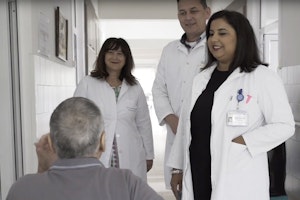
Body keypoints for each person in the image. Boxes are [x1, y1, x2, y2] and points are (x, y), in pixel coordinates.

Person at [167, 10, 295, 200]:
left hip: (238, 176)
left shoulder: (261, 76)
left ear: (241, 37)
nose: (214, 39)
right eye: (211, 34)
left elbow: (285, 126)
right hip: (197, 172)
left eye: (222, 33)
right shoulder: (201, 79)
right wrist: (177, 167)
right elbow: (187, 126)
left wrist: (243, 142)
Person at [6, 97, 163, 200]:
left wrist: (42, 170)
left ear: (51, 143)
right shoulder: (126, 183)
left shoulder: (21, 188)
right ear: (102, 142)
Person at [74, 38, 154, 182]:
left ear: (126, 58)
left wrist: (149, 155)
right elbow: (75, 119)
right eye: (110, 52)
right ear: (103, 56)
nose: (115, 57)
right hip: (96, 152)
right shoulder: (88, 83)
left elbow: (144, 123)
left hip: (130, 152)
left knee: (127, 191)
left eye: (120, 53)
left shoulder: (135, 87)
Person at [151, 0, 211, 189]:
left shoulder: (216, 46)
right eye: (182, 12)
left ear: (207, 12)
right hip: (176, 131)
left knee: (208, 185)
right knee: (182, 188)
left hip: (208, 131)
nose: (188, 17)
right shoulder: (169, 50)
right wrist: (171, 119)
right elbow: (159, 89)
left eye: (194, 11)